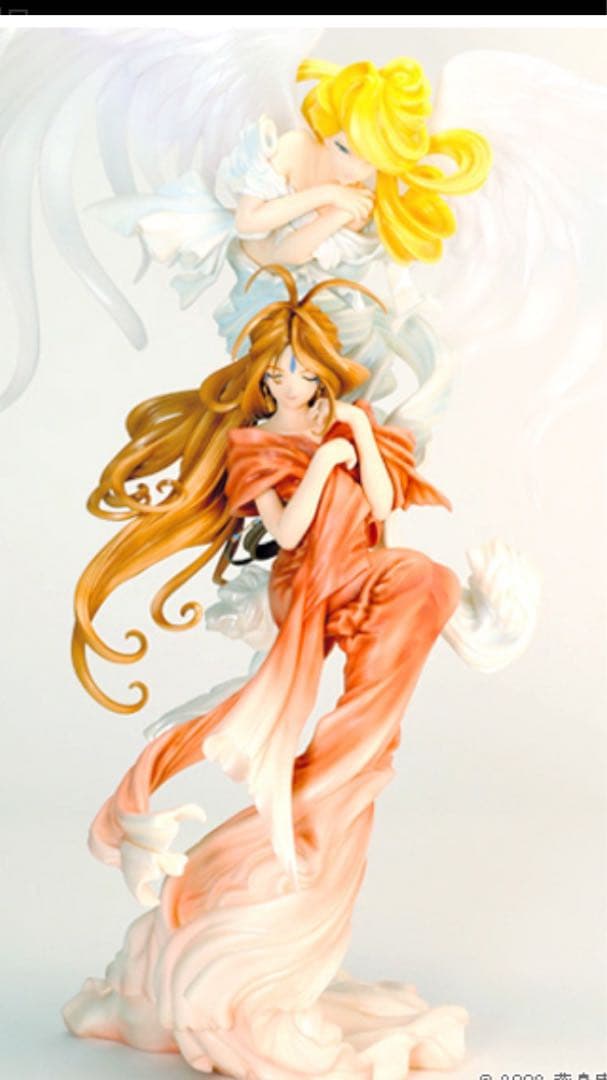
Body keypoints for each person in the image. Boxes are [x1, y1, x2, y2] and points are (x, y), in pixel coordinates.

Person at [63, 265, 470, 1078]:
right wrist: (323, 462)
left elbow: (381, 503)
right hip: (304, 578)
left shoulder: (351, 422)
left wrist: (356, 439)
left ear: (320, 372)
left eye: (301, 370)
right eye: (277, 372)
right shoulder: (253, 444)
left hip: (360, 566)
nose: (288, 383)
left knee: (427, 579)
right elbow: (284, 533)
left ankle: (331, 794)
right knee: (293, 710)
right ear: (262, 379)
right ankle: (260, 871)